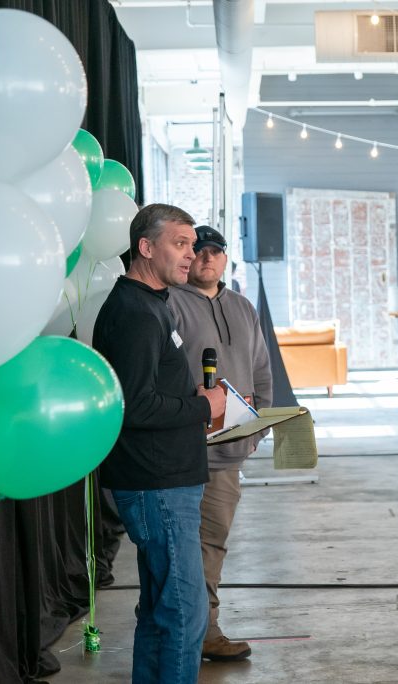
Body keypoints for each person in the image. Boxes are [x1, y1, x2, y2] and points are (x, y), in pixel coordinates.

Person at [93, 203, 227, 684]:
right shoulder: (134, 311)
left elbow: (148, 389)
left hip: (166, 481)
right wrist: (203, 407)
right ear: (146, 248)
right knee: (185, 616)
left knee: (159, 613)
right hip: (157, 487)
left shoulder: (152, 303)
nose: (191, 255)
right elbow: (134, 405)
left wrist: (191, 398)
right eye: (180, 243)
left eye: (193, 245)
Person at [167, 225, 272, 662]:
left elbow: (261, 371)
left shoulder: (244, 308)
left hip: (227, 457)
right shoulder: (169, 304)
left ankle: (205, 632)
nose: (206, 258)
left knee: (211, 545)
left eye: (214, 251)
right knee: (176, 549)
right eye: (198, 251)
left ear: (225, 259)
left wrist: (255, 431)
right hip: (178, 453)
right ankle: (180, 632)